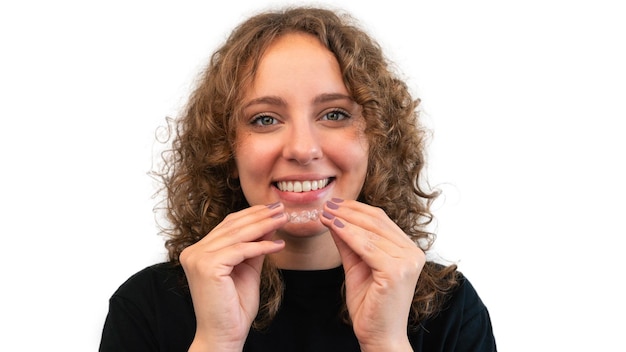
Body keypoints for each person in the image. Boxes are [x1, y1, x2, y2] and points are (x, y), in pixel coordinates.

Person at [99, 6, 496, 352]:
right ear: (224, 148)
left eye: (335, 114)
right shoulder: (145, 306)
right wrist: (216, 344)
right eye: (265, 119)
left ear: (378, 137)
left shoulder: (451, 308)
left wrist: (385, 343)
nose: (303, 149)